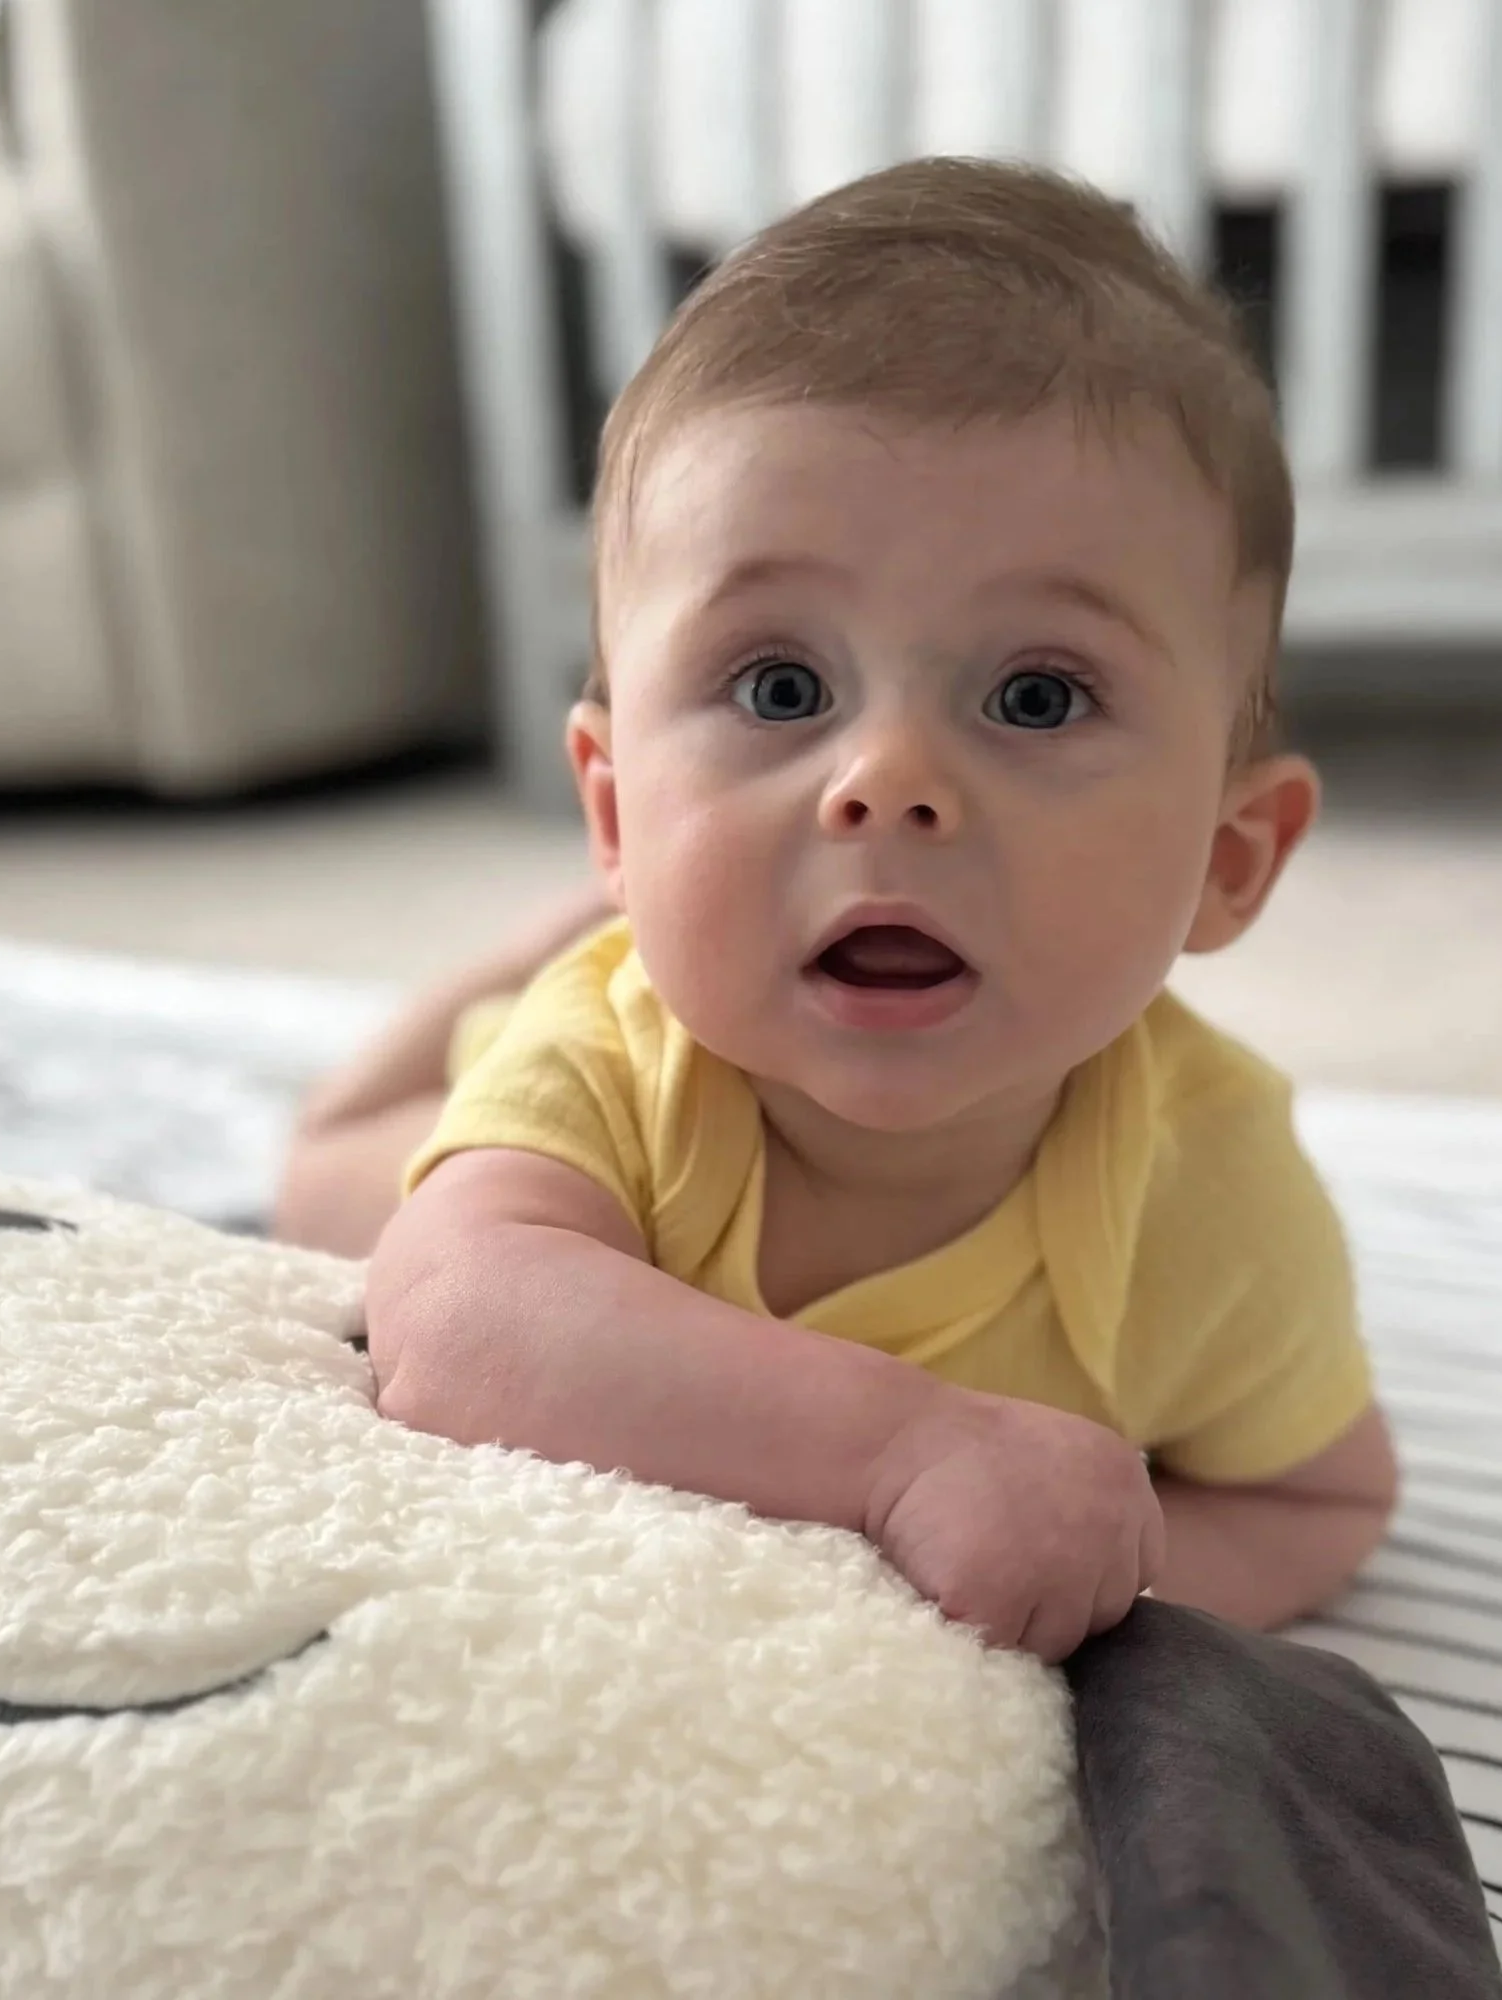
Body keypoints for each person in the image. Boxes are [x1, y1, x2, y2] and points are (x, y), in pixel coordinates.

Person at [279, 157, 1396, 1662]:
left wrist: (1093, 1587)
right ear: (616, 806)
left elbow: (1319, 1505)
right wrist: (902, 1454)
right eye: (782, 687)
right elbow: (455, 1319)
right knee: (327, 1190)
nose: (888, 782)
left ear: (1229, 861)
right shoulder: (623, 1058)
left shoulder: (1208, 1205)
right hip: (527, 1077)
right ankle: (545, 936)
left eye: (1036, 694)